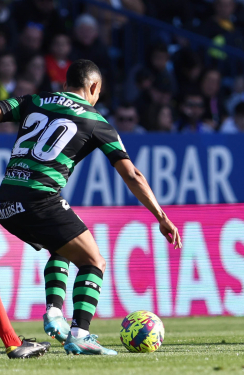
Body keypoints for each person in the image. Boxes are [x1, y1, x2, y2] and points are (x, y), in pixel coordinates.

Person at [0, 59, 182, 355]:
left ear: (64, 84)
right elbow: (132, 174)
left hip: (6, 200)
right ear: (94, 87)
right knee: (94, 261)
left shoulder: (35, 100)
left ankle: (55, 315)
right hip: (39, 197)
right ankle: (80, 333)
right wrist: (161, 216)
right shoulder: (96, 120)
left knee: (61, 248)